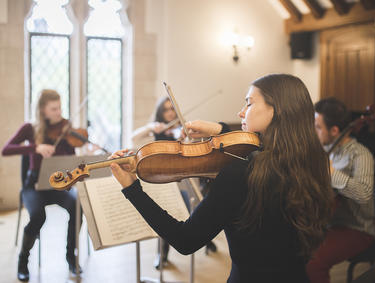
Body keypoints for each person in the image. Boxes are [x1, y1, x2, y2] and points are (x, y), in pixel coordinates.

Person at [110, 74, 334, 282]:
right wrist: (220, 129)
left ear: (276, 110)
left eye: (249, 103)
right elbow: (258, 145)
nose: (241, 112)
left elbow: (184, 240)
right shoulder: (317, 163)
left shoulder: (240, 173)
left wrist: (132, 189)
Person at [2, 89, 81, 281]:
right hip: (34, 186)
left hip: (58, 184)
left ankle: (71, 257)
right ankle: (23, 261)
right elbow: (6, 149)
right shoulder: (30, 128)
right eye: (54, 109)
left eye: (60, 108)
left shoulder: (65, 129)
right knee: (38, 216)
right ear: (42, 110)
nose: (59, 113)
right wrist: (35, 147)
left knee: (77, 205)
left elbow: (71, 158)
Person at [132, 96, 217, 269]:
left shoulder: (182, 128)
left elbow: (193, 148)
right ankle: (162, 254)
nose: (170, 113)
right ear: (160, 112)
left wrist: (184, 136)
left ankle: (207, 241)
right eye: (166, 110)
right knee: (166, 213)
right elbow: (134, 137)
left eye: (172, 109)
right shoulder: (157, 129)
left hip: (183, 176)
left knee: (197, 209)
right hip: (163, 176)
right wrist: (150, 127)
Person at [306, 97, 375, 283]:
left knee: (313, 260)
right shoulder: (328, 150)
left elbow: (364, 193)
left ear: (335, 130)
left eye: (318, 127)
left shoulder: (361, 155)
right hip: (328, 223)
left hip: (357, 229)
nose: (314, 131)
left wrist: (331, 173)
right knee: (293, 247)